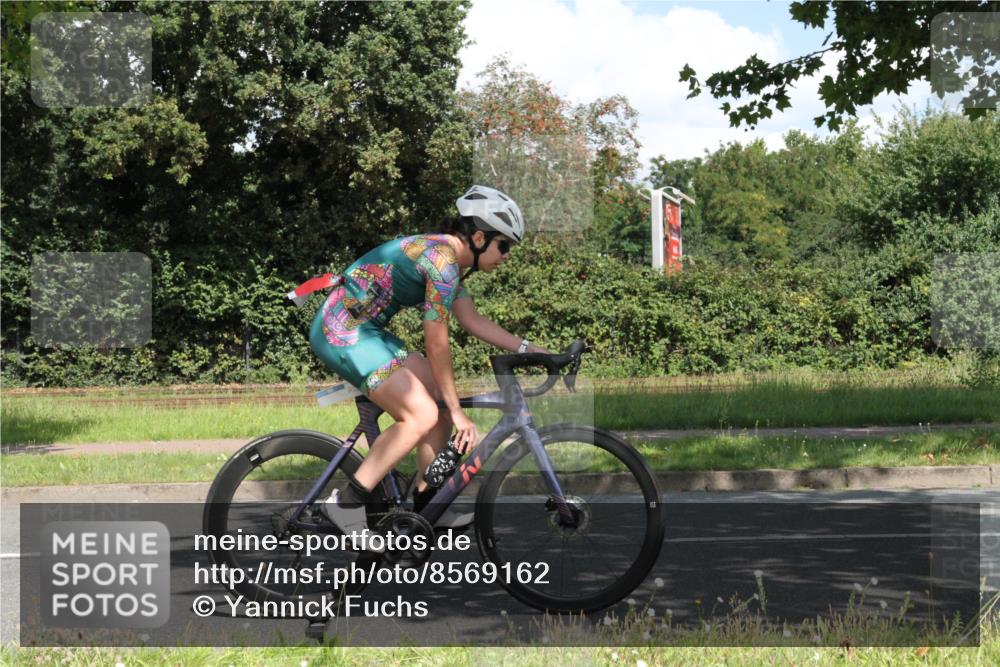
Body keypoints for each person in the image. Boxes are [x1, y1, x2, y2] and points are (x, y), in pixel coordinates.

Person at [309, 185, 550, 545]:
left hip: (368, 332)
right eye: (504, 246)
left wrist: (535, 351)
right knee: (422, 413)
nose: (506, 255)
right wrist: (459, 413)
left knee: (437, 397)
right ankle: (345, 503)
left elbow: (472, 320)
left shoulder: (449, 262)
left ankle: (426, 505)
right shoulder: (442, 263)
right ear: (479, 237)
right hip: (342, 331)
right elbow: (437, 344)